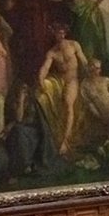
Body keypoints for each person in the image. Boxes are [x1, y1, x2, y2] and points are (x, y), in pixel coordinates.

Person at [37, 21, 89, 157]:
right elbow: (45, 67)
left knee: (67, 103)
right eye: (56, 32)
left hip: (73, 80)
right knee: (44, 94)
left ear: (65, 33)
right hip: (60, 81)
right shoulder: (52, 52)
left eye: (61, 32)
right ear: (53, 34)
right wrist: (41, 79)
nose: (59, 35)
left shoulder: (74, 44)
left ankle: (65, 141)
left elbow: (83, 60)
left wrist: (88, 70)